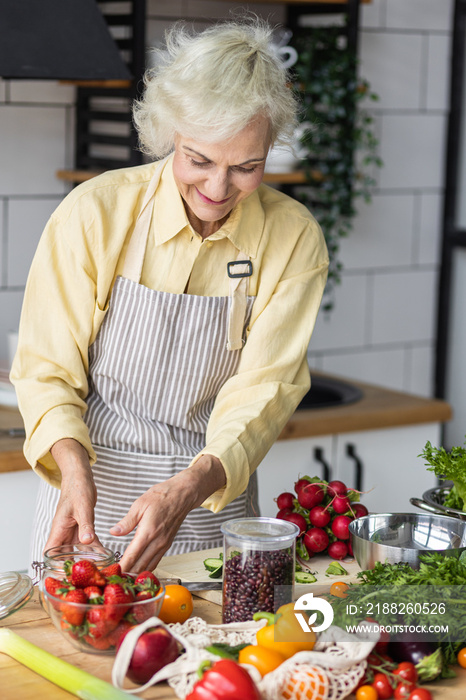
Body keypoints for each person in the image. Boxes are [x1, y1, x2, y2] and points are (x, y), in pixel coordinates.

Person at [11, 18, 329, 575]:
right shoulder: (96, 213)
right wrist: (72, 466)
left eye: (246, 167)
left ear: (271, 148)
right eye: (198, 160)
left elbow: (265, 389)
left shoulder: (293, 237)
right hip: (86, 499)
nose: (216, 189)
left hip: (206, 506)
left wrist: (189, 486)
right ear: (167, 134)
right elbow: (45, 370)